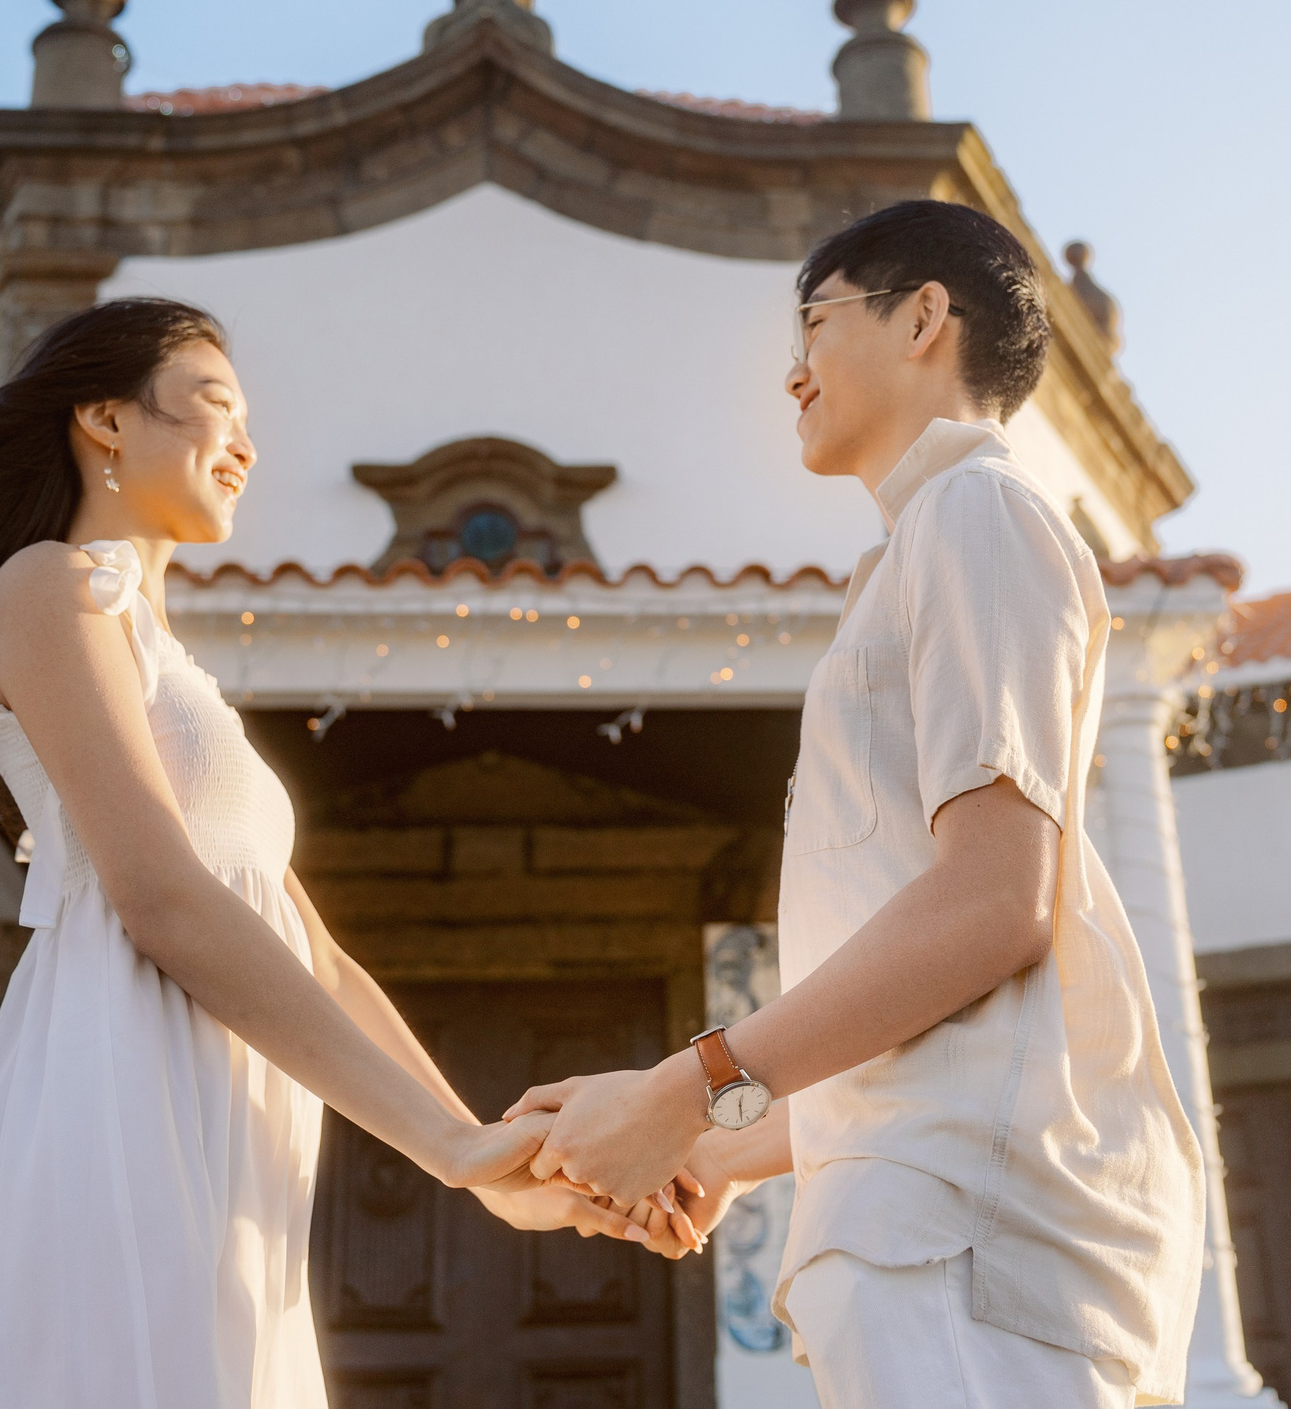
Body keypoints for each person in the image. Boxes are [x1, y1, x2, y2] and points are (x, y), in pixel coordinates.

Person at [0, 299, 667, 1408]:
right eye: (215, 407)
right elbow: (159, 899)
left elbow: (318, 955)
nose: (247, 445)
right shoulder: (52, 588)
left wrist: (484, 1161)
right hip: (122, 1074)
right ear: (105, 418)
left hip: (228, 1098)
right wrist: (444, 1144)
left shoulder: (169, 661)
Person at [507, 202, 1208, 1407]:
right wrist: (723, 1151)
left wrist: (681, 1090)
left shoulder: (978, 508)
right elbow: (937, 1007)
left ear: (925, 317)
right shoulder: (924, 541)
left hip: (961, 1230)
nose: (792, 371)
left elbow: (994, 909)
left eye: (814, 324)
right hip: (922, 1216)